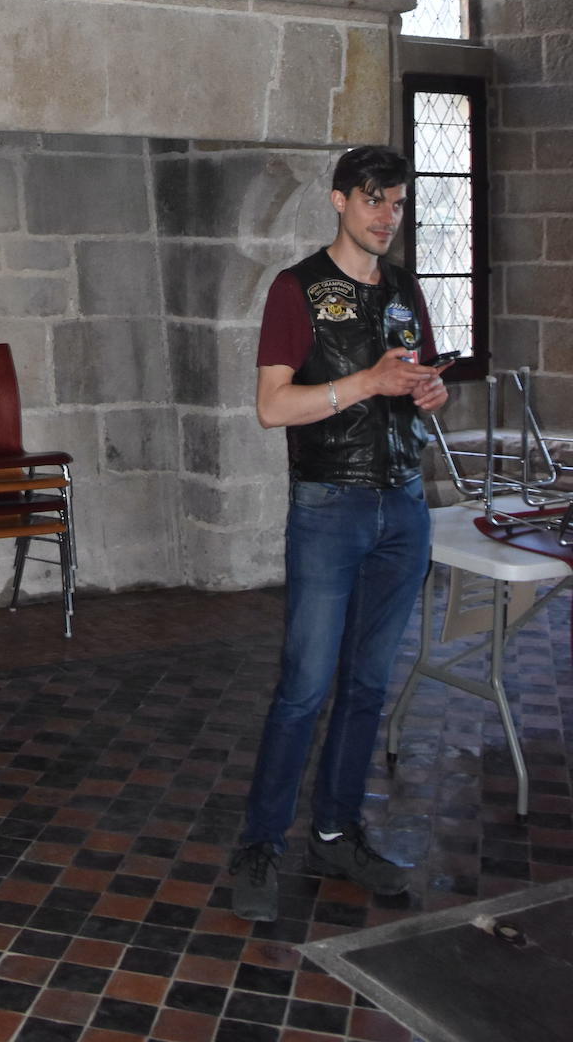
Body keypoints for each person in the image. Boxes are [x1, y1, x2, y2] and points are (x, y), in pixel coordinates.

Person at [228, 144, 450, 923]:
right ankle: (260, 844)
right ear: (339, 201)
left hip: (403, 507)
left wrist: (428, 392)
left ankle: (335, 831)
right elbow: (272, 408)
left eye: (397, 202)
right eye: (372, 199)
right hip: (330, 508)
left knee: (366, 686)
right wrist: (367, 382)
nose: (387, 216)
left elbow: (414, 380)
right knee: (304, 687)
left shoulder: (404, 288)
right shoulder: (295, 290)